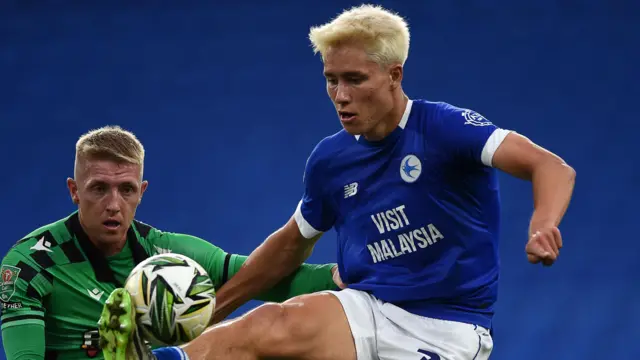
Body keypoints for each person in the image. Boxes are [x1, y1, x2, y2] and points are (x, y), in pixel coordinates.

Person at [102, 4, 576, 360]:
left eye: (354, 78)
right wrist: (209, 314)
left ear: (395, 75)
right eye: (331, 79)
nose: (340, 95)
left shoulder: (444, 129)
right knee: (267, 325)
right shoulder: (331, 159)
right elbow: (290, 245)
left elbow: (552, 167)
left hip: (448, 328)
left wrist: (543, 223)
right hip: (368, 309)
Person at [0, 125, 343, 360]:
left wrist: (342, 275)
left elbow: (263, 276)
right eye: (99, 188)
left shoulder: (172, 257)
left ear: (142, 192)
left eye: (126, 190)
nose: (114, 204)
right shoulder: (30, 266)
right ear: (74, 191)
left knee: (266, 328)